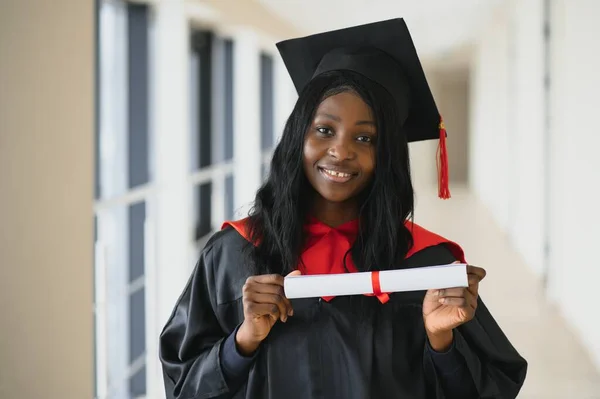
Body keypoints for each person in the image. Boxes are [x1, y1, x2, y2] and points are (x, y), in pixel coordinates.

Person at [159, 18, 527, 399]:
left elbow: (491, 388)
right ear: (297, 136)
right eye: (324, 130)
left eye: (365, 137)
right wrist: (242, 341)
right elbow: (184, 388)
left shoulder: (425, 266)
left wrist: (441, 340)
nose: (341, 150)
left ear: (386, 157)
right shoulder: (232, 255)